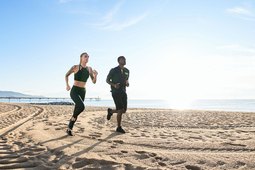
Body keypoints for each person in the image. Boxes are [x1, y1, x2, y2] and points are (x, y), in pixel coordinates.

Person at [65, 52, 98, 136]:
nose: (87, 58)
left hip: (83, 91)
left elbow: (93, 81)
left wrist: (95, 75)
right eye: (85, 56)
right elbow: (66, 75)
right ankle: (71, 121)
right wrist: (67, 85)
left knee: (77, 110)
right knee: (82, 107)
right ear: (81, 58)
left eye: (88, 57)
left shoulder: (89, 69)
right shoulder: (75, 67)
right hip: (75, 90)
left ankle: (69, 128)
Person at [106, 56, 129, 133]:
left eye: (125, 59)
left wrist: (127, 83)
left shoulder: (127, 70)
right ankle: (119, 127)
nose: (125, 60)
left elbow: (126, 80)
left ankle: (111, 111)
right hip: (115, 91)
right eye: (123, 59)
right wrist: (114, 85)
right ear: (119, 61)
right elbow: (107, 80)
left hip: (123, 91)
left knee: (124, 110)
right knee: (120, 110)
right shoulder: (114, 70)